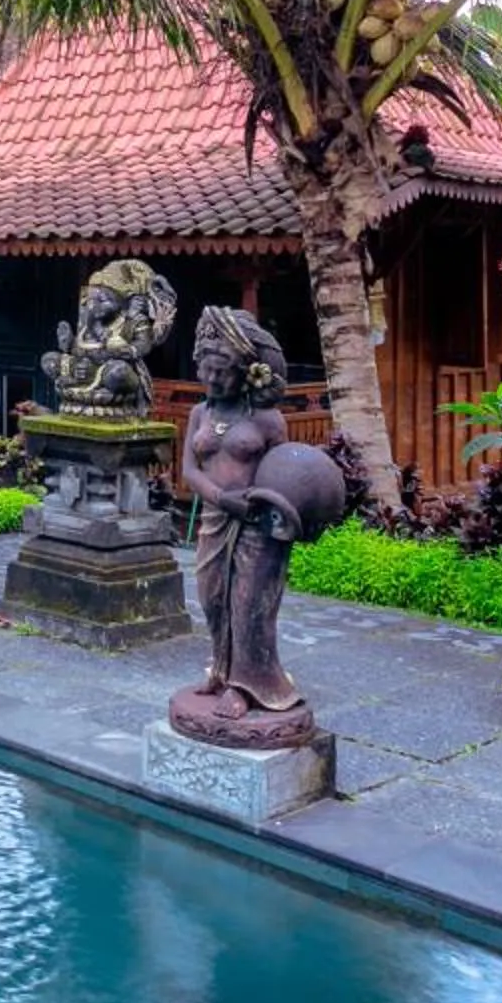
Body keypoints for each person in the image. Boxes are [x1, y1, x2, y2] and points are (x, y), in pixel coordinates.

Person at [180, 306, 335, 722]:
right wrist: (220, 497)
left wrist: (275, 509)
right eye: (206, 370)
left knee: (249, 605)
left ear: (247, 373)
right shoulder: (200, 413)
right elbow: (189, 471)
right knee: (212, 598)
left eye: (222, 373)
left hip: (257, 526)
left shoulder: (267, 420)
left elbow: (284, 469)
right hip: (216, 518)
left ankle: (246, 685)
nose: (212, 380)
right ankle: (219, 668)